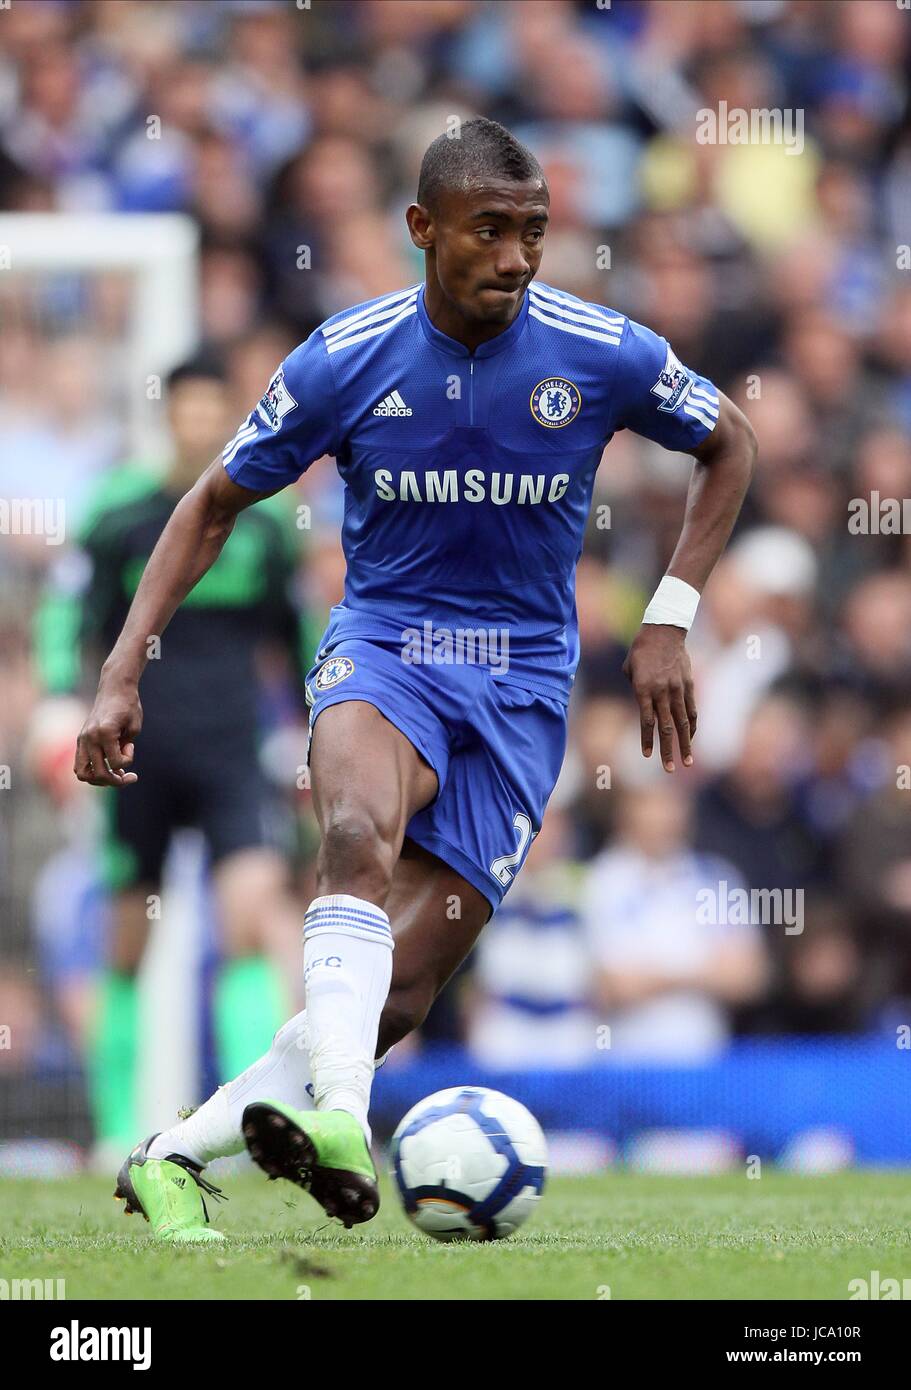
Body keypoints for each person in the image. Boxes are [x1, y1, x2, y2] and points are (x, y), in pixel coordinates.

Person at [74, 118, 756, 1242]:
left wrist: (668, 617)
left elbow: (728, 440)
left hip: (523, 687)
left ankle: (171, 1156)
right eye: (489, 231)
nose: (516, 258)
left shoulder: (599, 350)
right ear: (422, 228)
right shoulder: (345, 357)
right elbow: (211, 504)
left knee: (391, 995)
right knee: (353, 832)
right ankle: (345, 1117)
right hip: (387, 647)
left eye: (533, 232)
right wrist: (118, 670)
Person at [42, 356, 308, 1154]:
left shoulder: (266, 520)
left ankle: (251, 1122)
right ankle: (119, 1129)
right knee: (128, 942)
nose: (197, 424)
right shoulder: (119, 512)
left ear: (229, 418)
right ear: (168, 417)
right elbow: (71, 609)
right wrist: (58, 697)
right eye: (185, 410)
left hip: (233, 753)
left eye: (210, 410)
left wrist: (314, 721)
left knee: (247, 925)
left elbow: (295, 632)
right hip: (139, 754)